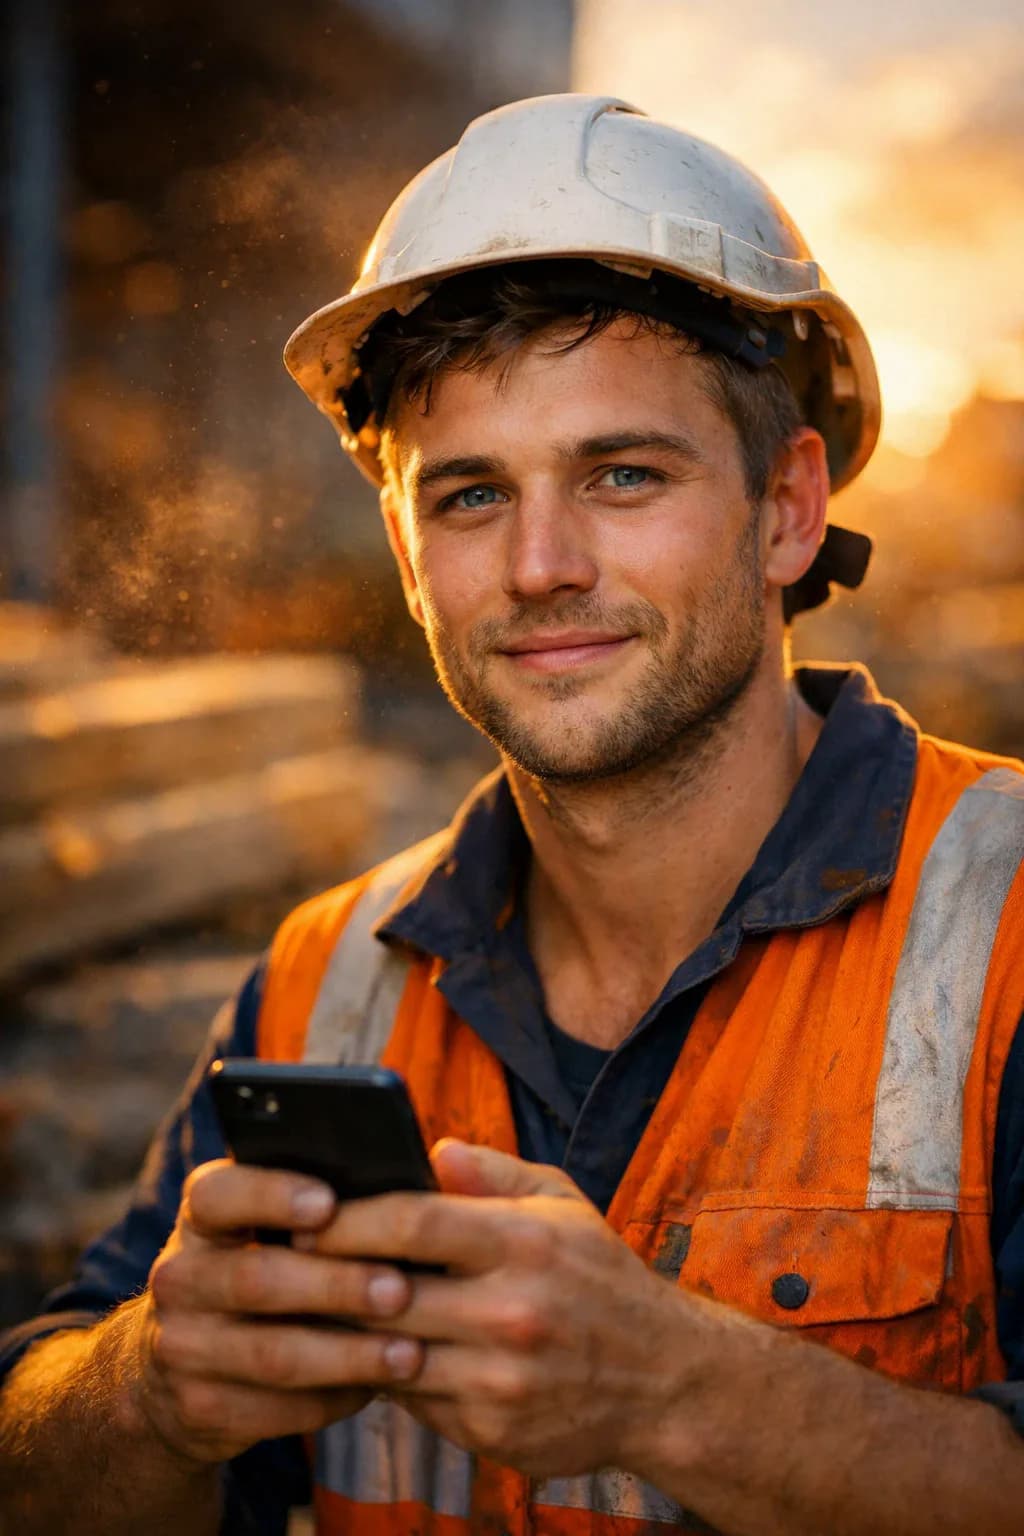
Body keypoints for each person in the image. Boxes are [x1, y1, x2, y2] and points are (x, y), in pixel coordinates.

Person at [1, 93, 1023, 1536]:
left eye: (622, 474)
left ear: (790, 505)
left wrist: (681, 1393)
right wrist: (149, 1392)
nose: (540, 565)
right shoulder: (327, 977)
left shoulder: (1010, 931)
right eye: (471, 495)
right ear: (409, 556)